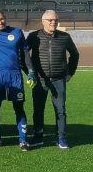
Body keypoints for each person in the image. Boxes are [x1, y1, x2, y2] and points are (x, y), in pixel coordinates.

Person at [26, 10, 79, 150]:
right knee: (38, 109)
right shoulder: (33, 36)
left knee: (60, 110)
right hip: (40, 80)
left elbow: (74, 54)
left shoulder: (65, 37)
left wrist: (70, 72)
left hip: (58, 80)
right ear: (43, 21)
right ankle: (38, 136)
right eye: (50, 20)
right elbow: (24, 54)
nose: (53, 22)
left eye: (55, 20)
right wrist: (30, 72)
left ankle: (61, 137)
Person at [0, 10, 32, 150]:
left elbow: (24, 53)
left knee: (19, 108)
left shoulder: (17, 32)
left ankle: (23, 141)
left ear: (5, 18)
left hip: (14, 75)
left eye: (2, 19)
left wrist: (31, 72)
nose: (0, 22)